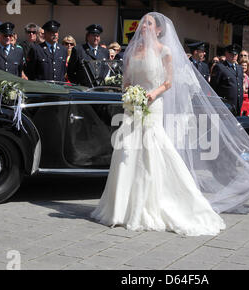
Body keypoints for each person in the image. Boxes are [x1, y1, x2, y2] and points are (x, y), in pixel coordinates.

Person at [90, 13, 226, 236]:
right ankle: (120, 209)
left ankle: (151, 203)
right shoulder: (132, 51)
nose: (144, 26)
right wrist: (129, 93)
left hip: (153, 103)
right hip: (133, 105)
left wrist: (152, 94)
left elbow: (169, 82)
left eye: (149, 24)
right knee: (126, 151)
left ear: (159, 30)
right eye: (143, 24)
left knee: (150, 151)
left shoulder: (165, 51)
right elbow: (126, 80)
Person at [210, 44, 244, 116]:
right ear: (226, 54)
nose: (234, 56)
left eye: (236, 54)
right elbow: (213, 86)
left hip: (237, 104)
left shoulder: (239, 68)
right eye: (231, 54)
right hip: (225, 104)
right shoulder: (220, 67)